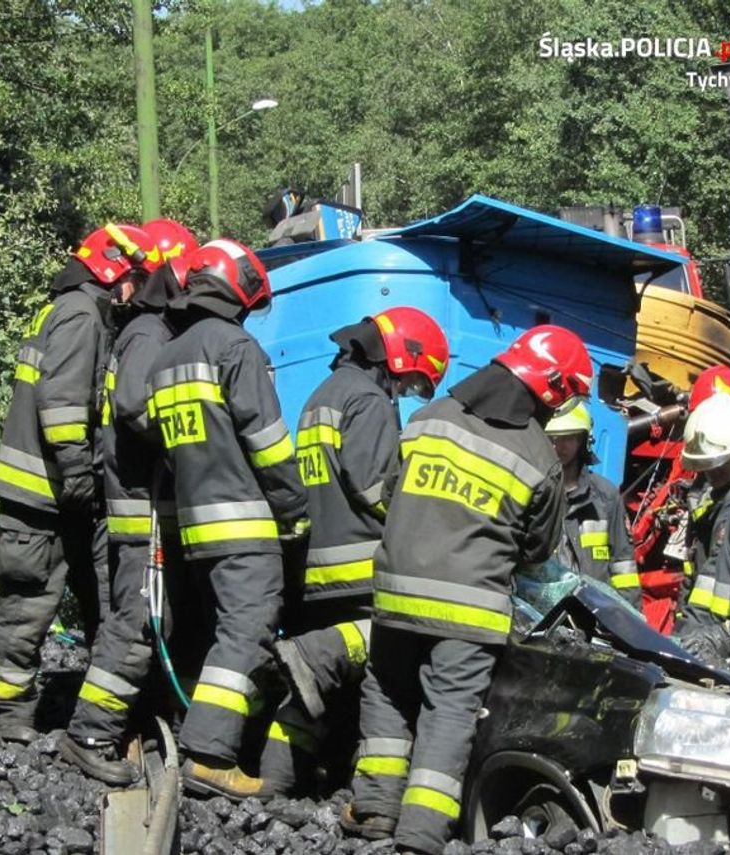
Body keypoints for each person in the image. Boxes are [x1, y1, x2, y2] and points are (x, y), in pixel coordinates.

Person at [342, 325, 592, 855]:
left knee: (387, 696)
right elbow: (538, 549)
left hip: (395, 596)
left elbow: (390, 493)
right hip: (470, 609)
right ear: (550, 387)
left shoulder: (426, 419)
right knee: (448, 714)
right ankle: (421, 836)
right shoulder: (535, 455)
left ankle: (374, 812)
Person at [258, 307, 449, 797]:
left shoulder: (323, 395)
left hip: (317, 569)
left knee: (312, 692)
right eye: (408, 385)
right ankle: (369, 792)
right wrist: (421, 520)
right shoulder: (367, 400)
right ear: (399, 357)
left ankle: (278, 781)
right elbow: (374, 487)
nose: (402, 396)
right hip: (360, 571)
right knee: (382, 678)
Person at [147, 239, 308, 800]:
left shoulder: (168, 355)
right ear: (238, 290)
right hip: (244, 526)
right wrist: (294, 508)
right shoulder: (234, 346)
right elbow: (266, 441)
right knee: (246, 635)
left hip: (194, 528)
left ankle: (195, 734)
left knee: (211, 636)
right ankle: (211, 756)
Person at [0, 223, 158, 744]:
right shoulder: (82, 315)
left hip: (46, 492)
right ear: (111, 269)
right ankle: (9, 715)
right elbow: (61, 406)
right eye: (132, 278)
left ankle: (27, 711)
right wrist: (80, 474)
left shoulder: (64, 309)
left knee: (53, 601)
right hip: (44, 493)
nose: (134, 290)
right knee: (29, 607)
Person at [59, 219, 198, 785]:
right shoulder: (148, 333)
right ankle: (91, 733)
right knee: (138, 620)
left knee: (146, 618)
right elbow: (139, 409)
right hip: (141, 511)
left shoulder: (138, 329)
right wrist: (192, 437)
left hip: (140, 508)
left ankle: (141, 717)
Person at [674, 392, 730, 627]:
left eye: (720, 463)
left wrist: (685, 639)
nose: (712, 471)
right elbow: (692, 578)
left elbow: (713, 583)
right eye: (705, 464)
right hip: (712, 633)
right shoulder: (706, 499)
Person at [544, 402, 640, 608]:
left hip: (592, 613)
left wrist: (630, 621)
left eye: (568, 438)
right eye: (551, 439)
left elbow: (624, 567)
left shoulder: (605, 496)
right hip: (541, 610)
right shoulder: (533, 489)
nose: (558, 447)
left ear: (583, 440)